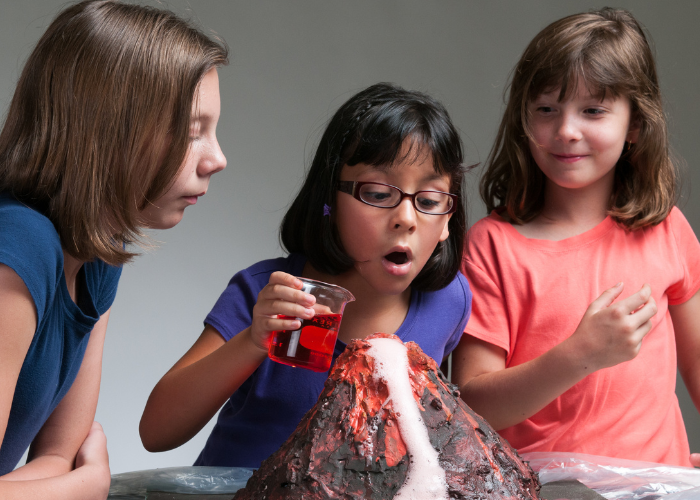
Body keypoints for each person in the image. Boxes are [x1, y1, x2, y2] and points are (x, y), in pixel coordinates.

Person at [139, 82, 472, 468]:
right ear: (330, 199)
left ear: (448, 218)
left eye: (429, 201)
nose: (406, 218)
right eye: (378, 194)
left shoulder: (448, 301)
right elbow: (157, 431)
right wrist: (253, 339)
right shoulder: (267, 294)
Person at [454, 8, 700, 467]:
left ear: (636, 127)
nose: (566, 131)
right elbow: (473, 406)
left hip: (657, 486)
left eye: (593, 111)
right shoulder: (492, 245)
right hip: (537, 489)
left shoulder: (666, 228)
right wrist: (578, 355)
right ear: (523, 122)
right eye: (546, 109)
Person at [0, 1, 227, 498]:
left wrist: (74, 481)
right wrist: (85, 486)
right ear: (107, 128)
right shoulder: (18, 247)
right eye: (192, 131)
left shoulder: (97, 253)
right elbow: (71, 472)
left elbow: (59, 453)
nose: (218, 159)